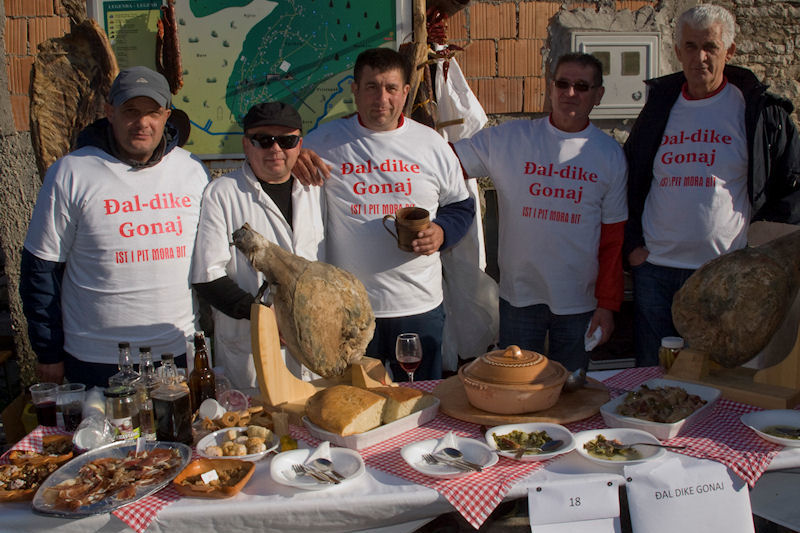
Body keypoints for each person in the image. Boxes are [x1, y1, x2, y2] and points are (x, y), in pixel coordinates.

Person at [623, 4, 800, 366]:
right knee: (651, 377)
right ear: (678, 51)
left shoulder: (759, 112)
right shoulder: (660, 106)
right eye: (690, 46)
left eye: (710, 47)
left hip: (724, 275)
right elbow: (629, 178)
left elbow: (793, 184)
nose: (699, 57)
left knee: (717, 378)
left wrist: (758, 247)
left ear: (729, 51)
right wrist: (632, 246)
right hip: (655, 269)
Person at [20, 66, 210, 388]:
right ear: (110, 113)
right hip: (96, 359)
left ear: (167, 116)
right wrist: (48, 352)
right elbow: (41, 268)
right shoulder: (72, 172)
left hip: (178, 352)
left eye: (153, 113)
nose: (142, 123)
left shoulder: (192, 170)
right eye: (130, 111)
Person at [302, 47, 474, 381]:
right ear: (354, 90)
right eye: (372, 87)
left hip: (418, 305)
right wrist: (296, 159)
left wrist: (441, 232)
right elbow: (283, 167)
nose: (382, 98)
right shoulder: (323, 142)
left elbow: (460, 204)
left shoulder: (431, 144)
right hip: (351, 310)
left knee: (421, 399)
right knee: (357, 400)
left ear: (405, 92)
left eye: (391, 88)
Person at [452, 53, 628, 372]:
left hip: (579, 304)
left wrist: (608, 305)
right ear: (550, 87)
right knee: (516, 390)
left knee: (572, 390)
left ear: (598, 94)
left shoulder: (609, 155)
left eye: (581, 86)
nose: (570, 93)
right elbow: (445, 162)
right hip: (519, 298)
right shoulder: (510, 139)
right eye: (562, 84)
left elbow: (613, 240)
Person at [191, 102, 325, 389]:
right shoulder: (223, 193)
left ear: (299, 145)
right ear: (246, 144)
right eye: (264, 140)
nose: (275, 148)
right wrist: (261, 315)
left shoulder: (316, 190)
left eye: (286, 141)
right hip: (251, 350)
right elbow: (207, 276)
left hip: (313, 344)